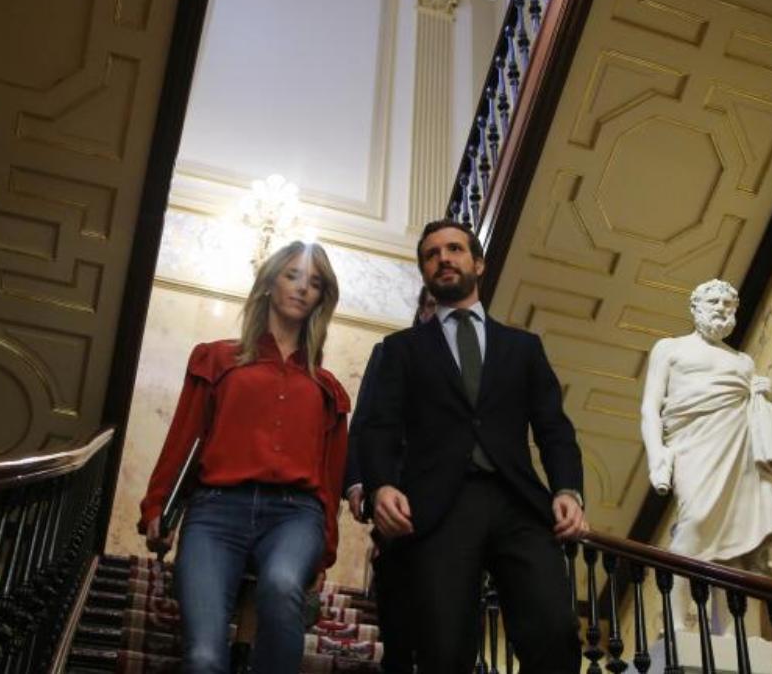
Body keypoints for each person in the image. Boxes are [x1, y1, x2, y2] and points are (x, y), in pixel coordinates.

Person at [360, 220, 586, 673]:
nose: (443, 258)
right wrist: (381, 485)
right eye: (432, 254)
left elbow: (554, 427)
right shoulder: (400, 349)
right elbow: (378, 426)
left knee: (556, 631)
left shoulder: (523, 348)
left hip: (518, 504)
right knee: (444, 649)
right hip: (438, 508)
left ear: (477, 263)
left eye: (455, 249)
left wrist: (568, 490)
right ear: (424, 271)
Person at [138, 241, 350, 674]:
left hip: (295, 516)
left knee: (281, 583)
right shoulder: (217, 358)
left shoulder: (327, 388)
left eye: (313, 283)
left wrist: (324, 552)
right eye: (292, 275)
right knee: (203, 657)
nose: (301, 288)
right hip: (216, 511)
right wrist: (157, 505)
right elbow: (184, 437)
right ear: (270, 282)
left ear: (321, 299)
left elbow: (329, 477)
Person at [640, 279, 772, 630]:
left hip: (742, 449)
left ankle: (740, 634)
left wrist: (763, 397)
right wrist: (657, 456)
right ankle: (677, 626)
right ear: (695, 308)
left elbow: (753, 412)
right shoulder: (670, 349)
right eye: (713, 302)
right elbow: (650, 408)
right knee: (694, 526)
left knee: (743, 546)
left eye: (728, 305)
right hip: (694, 447)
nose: (721, 309)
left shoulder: (742, 361)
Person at [342, 286, 435, 674]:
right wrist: (356, 481)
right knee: (398, 607)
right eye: (431, 306)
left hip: (450, 508)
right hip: (398, 496)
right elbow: (364, 420)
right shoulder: (391, 352)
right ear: (420, 311)